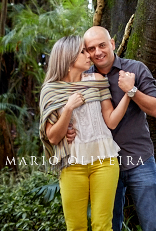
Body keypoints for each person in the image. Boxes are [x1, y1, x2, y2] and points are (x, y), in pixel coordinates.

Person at [74, 26, 156, 231]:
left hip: (139, 159)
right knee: (108, 226)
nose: (98, 52)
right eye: (91, 48)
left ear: (112, 44)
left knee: (153, 225)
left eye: (102, 45)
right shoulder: (84, 78)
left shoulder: (136, 69)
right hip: (102, 165)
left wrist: (132, 90)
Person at [39, 35, 131, 231]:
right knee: (76, 227)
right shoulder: (50, 90)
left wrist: (129, 94)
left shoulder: (97, 81)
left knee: (102, 225)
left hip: (105, 160)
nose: (89, 55)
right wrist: (69, 108)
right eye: (83, 52)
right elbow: (53, 137)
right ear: (68, 57)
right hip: (72, 163)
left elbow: (112, 121)